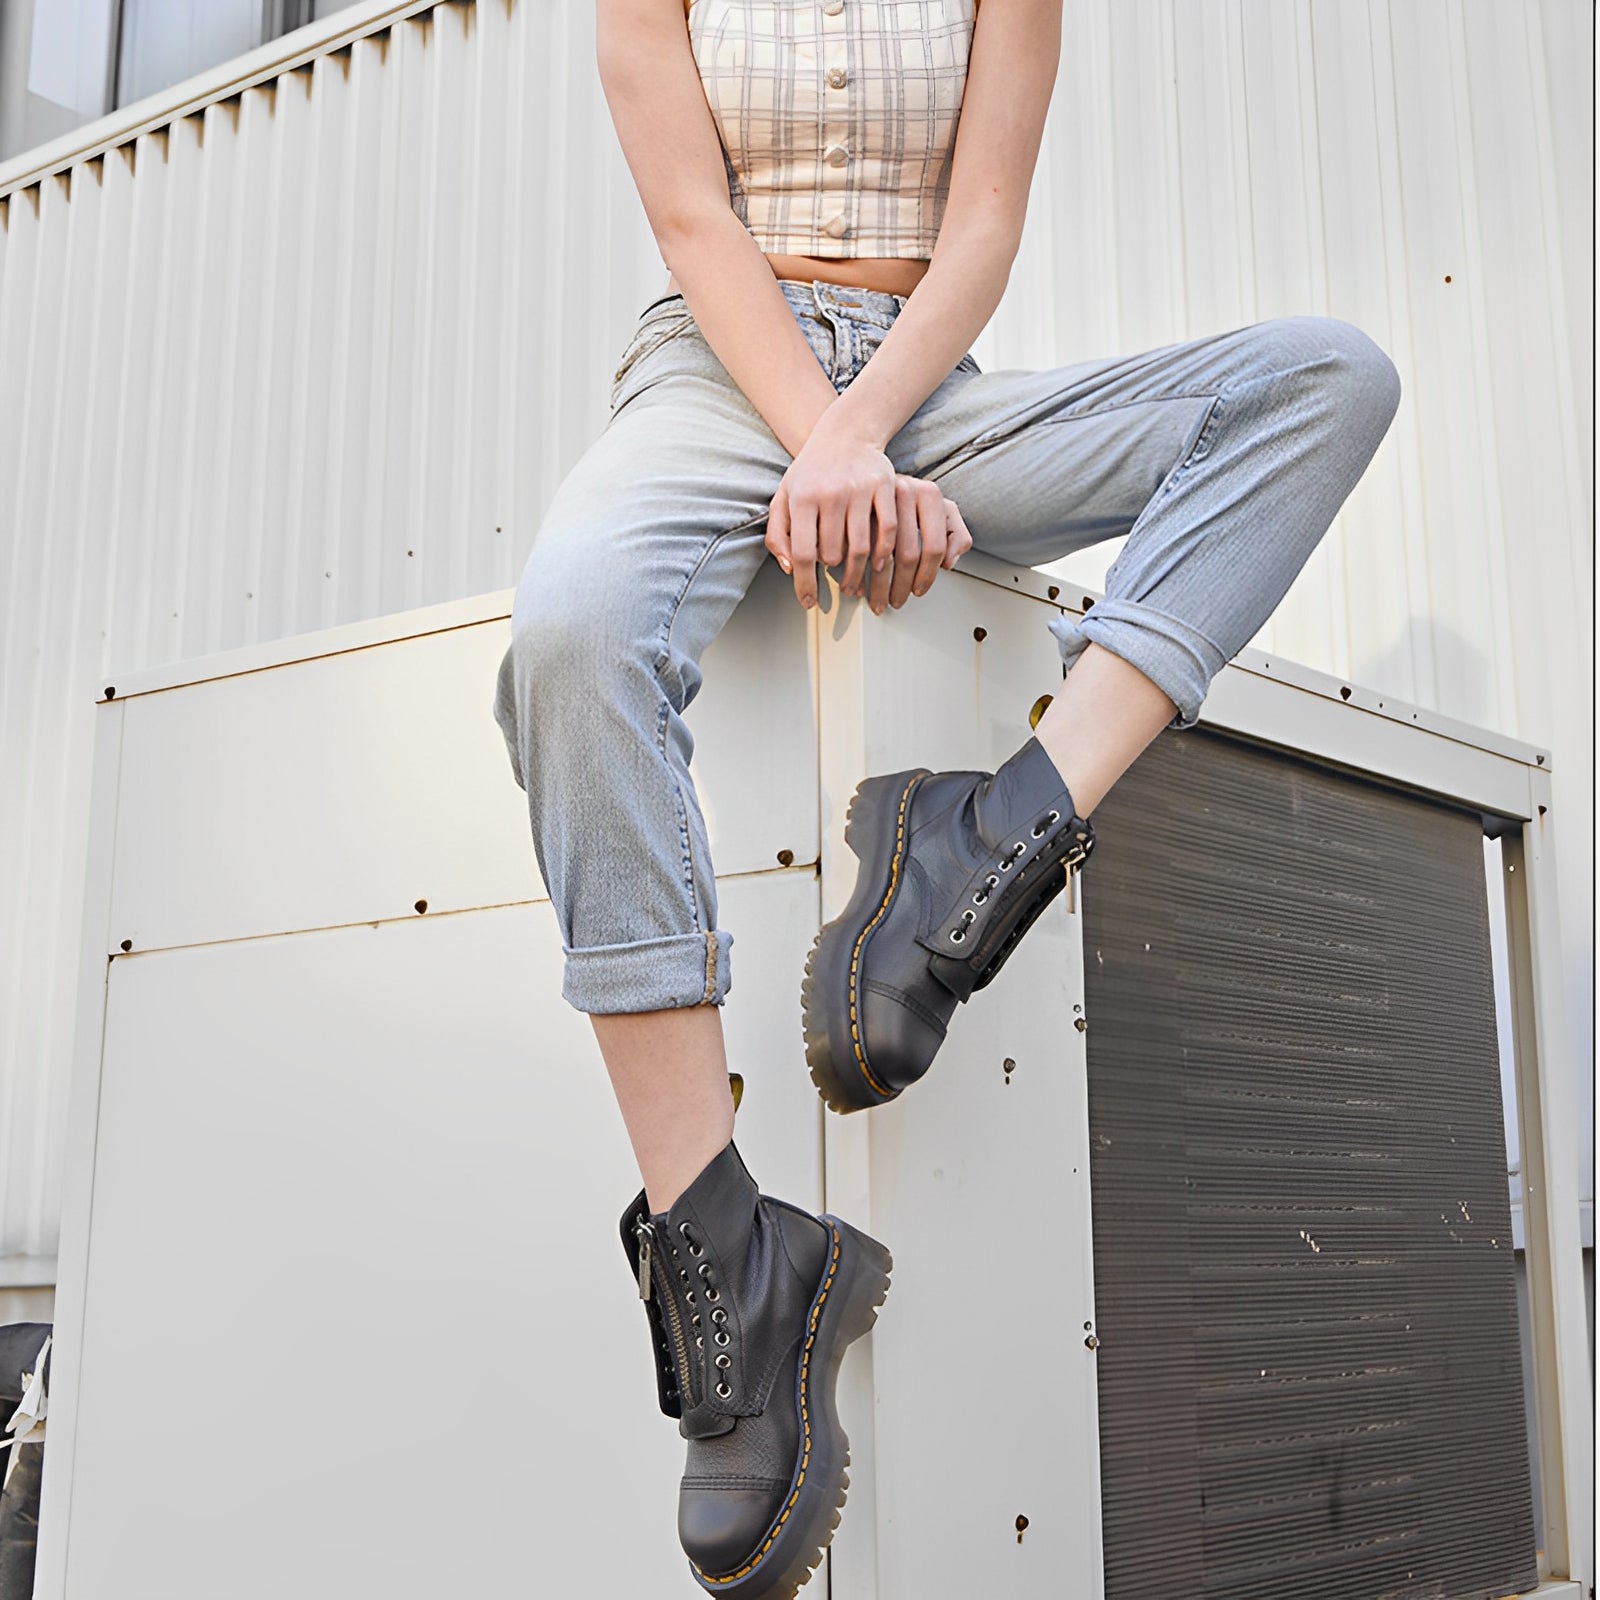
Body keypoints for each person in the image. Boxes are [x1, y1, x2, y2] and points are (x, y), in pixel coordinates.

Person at [492, 0, 1402, 1591]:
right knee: (570, 641)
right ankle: (725, 1251)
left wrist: (866, 437)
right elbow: (696, 222)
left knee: (1329, 380)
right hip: (714, 378)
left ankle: (997, 829)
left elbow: (978, 228)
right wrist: (824, 444)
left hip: (929, 395)